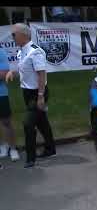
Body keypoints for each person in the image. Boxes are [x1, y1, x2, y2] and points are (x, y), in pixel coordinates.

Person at [6, 23, 56, 168]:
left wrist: (40, 97)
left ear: (23, 35)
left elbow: (41, 74)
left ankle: (30, 158)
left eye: (14, 34)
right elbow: (22, 68)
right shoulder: (22, 51)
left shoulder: (35, 52)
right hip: (27, 93)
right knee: (41, 122)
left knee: (28, 124)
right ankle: (50, 148)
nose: (12, 37)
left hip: (37, 93)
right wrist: (12, 72)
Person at [0, 47, 20, 162]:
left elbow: (3, 75)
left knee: (6, 122)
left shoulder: (0, 52)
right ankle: (2, 146)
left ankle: (13, 149)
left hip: (1, 94)